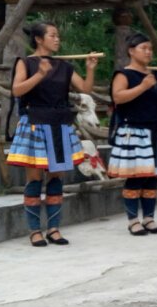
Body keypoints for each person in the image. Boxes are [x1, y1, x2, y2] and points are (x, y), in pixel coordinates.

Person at [6, 21, 98, 247]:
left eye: (58, 36)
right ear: (39, 39)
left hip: (59, 124)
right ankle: (35, 230)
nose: (57, 39)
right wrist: (39, 74)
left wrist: (90, 69)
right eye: (52, 35)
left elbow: (85, 89)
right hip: (35, 123)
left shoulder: (64, 66)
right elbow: (17, 90)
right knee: (35, 178)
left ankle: (54, 228)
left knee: (56, 177)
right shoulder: (26, 63)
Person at [107, 33, 157, 235]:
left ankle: (149, 218)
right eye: (144, 48)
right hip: (133, 130)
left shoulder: (156, 74)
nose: (148, 52)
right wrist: (142, 86)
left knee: (152, 176)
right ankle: (133, 220)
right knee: (136, 176)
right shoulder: (123, 74)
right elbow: (118, 97)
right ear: (131, 51)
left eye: (150, 49)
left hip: (155, 130)